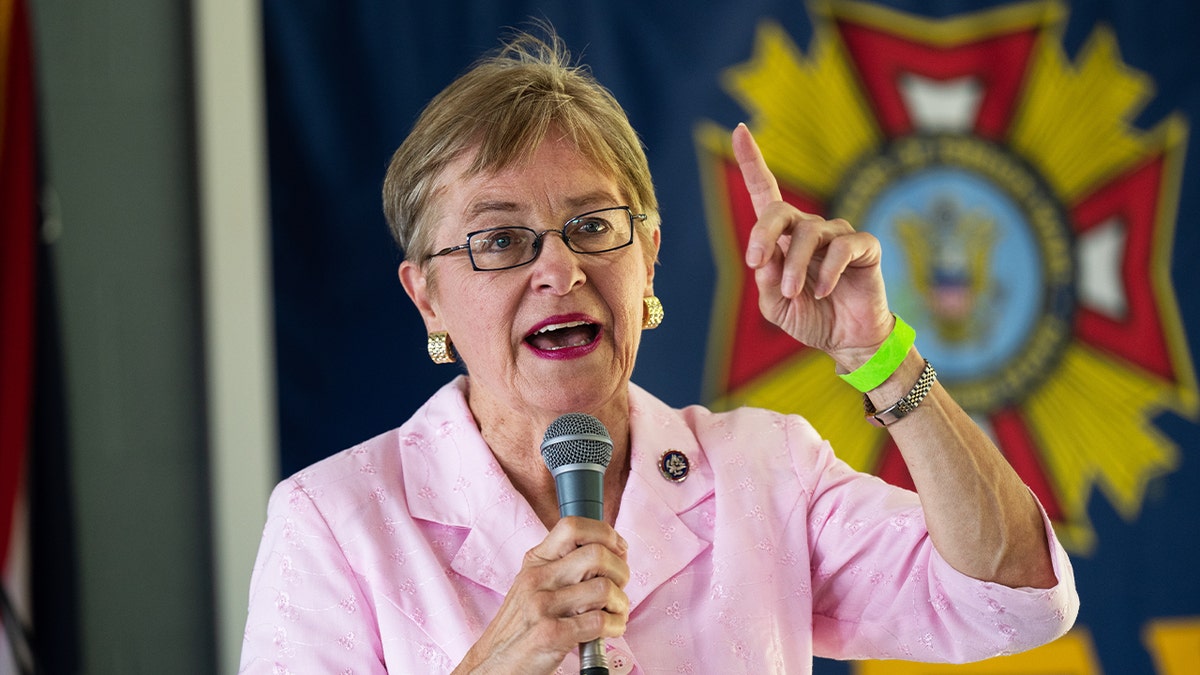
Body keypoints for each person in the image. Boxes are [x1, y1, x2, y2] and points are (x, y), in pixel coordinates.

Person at [239, 27, 1078, 674]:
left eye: (593, 226)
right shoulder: (335, 520)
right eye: (500, 240)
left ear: (649, 258)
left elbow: (1016, 597)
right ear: (427, 296)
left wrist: (878, 351)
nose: (559, 268)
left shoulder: (768, 470)